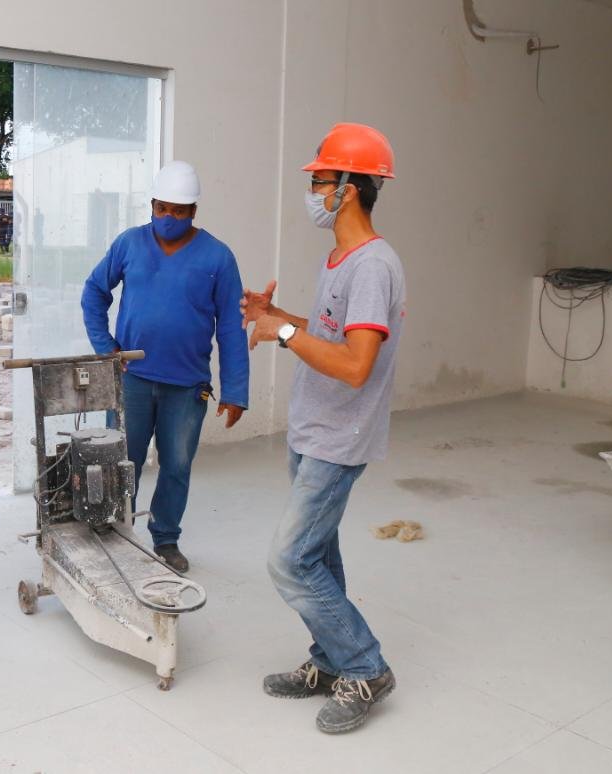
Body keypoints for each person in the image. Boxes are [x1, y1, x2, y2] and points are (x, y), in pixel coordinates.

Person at [244, 123, 404, 734]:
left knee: (288, 560)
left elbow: (356, 365)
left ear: (350, 189)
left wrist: (282, 335)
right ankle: (329, 660)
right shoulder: (340, 258)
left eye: (320, 181)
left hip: (341, 437)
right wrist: (276, 315)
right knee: (318, 554)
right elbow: (337, 331)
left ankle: (365, 666)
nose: (312, 192)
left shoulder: (373, 265)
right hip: (314, 428)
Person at [80, 160, 249, 572]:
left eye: (179, 211)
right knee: (124, 460)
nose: (169, 217)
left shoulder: (218, 257)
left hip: (187, 385)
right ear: (152, 205)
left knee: (176, 465)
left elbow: (231, 327)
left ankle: (166, 539)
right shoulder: (130, 244)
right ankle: (118, 531)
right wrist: (107, 348)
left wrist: (236, 391)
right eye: (162, 208)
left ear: (193, 211)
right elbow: (94, 292)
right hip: (131, 379)